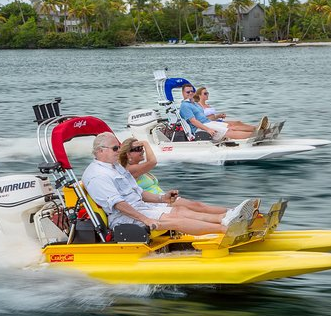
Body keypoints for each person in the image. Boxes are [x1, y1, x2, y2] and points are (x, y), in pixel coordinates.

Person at [81, 132, 258, 235]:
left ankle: (226, 218)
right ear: (100, 151)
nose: (118, 151)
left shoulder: (115, 167)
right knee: (175, 219)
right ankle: (226, 229)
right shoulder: (98, 175)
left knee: (181, 210)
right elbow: (118, 204)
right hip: (124, 218)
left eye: (118, 147)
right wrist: (146, 219)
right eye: (115, 148)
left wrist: (162, 198)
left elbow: (139, 193)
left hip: (140, 207)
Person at [118, 137, 230, 215]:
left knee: (197, 206)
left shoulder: (138, 168)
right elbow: (153, 162)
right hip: (155, 203)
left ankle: (229, 213)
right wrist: (146, 143)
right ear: (128, 154)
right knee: (196, 206)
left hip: (161, 198)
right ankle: (229, 214)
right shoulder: (130, 170)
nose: (142, 151)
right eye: (138, 149)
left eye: (141, 148)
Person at [179, 84, 253, 140]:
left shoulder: (194, 103)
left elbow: (203, 116)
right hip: (202, 127)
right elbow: (193, 121)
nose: (190, 93)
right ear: (183, 93)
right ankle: (255, 135)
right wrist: (207, 129)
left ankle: (257, 131)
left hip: (208, 122)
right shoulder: (185, 106)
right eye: (188, 92)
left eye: (192, 91)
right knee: (229, 132)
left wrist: (217, 117)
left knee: (231, 127)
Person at [193, 86, 266, 133]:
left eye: (207, 93)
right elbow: (202, 119)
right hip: (211, 124)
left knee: (238, 122)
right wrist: (215, 118)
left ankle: (257, 128)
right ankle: (256, 130)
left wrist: (218, 116)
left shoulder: (207, 105)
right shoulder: (198, 106)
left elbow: (212, 117)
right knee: (235, 126)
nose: (207, 95)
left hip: (217, 121)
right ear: (199, 95)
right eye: (205, 93)